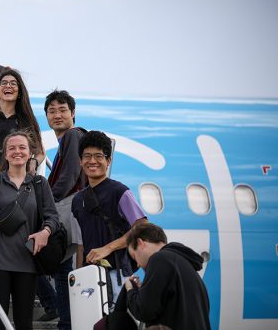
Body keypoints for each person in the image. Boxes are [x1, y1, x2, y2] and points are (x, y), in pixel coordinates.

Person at [0, 130, 60, 330]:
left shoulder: (39, 183)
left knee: (24, 323)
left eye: (22, 147)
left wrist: (45, 232)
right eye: (12, 148)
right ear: (5, 153)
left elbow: (53, 217)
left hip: (27, 262)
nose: (17, 152)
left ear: (30, 153)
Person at [71, 130, 146, 304]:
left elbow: (142, 226)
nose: (92, 161)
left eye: (98, 156)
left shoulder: (119, 191)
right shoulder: (77, 200)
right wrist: (78, 277)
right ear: (80, 161)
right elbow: (80, 244)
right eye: (87, 156)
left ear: (108, 160)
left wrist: (108, 248)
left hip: (118, 274)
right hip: (90, 276)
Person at [36, 90, 87, 328]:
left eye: (62, 110)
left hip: (67, 210)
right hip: (72, 211)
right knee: (62, 267)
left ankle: (57, 311)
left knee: (31, 255)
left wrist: (47, 202)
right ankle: (62, 316)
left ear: (73, 113)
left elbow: (69, 177)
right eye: (51, 111)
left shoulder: (72, 137)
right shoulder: (67, 140)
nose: (57, 115)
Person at [124, 222, 211, 330]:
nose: (137, 264)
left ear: (140, 242)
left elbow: (144, 311)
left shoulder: (159, 259)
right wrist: (143, 292)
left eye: (134, 256)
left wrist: (130, 290)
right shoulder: (183, 263)